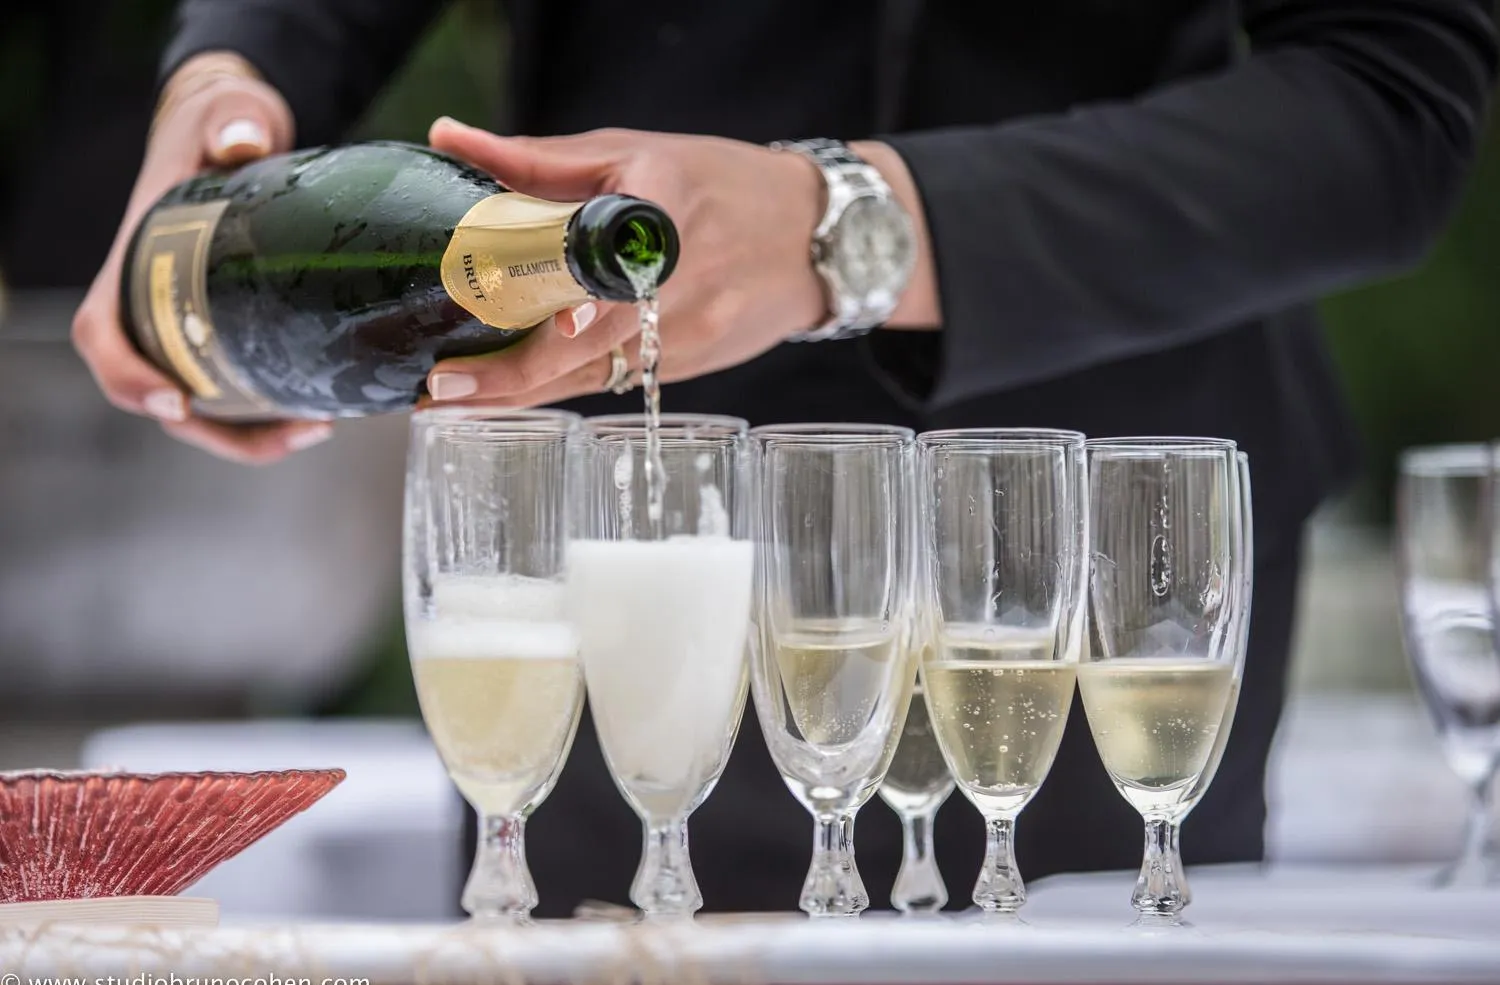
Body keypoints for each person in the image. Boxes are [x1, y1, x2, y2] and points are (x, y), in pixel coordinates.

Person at [72, 1, 1498, 916]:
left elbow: (1391, 107)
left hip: (1096, 561)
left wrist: (855, 225)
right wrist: (236, 63)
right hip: (627, 532)